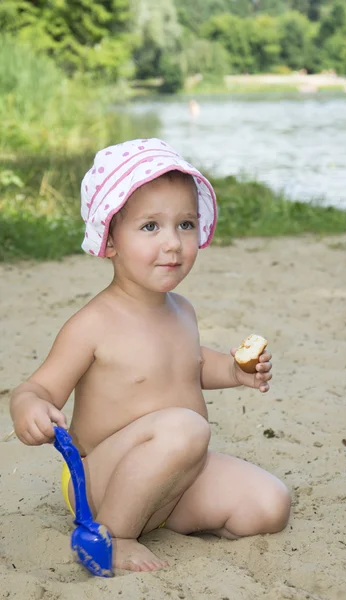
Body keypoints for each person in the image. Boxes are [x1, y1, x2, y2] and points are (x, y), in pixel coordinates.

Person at [10, 138, 290, 573]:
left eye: (185, 225)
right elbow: (40, 386)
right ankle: (116, 534)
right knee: (185, 427)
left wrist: (234, 371)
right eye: (150, 227)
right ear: (111, 239)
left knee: (269, 505)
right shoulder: (94, 323)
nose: (173, 244)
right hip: (102, 479)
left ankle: (156, 517)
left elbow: (189, 365)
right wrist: (29, 406)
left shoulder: (182, 311)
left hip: (174, 476)